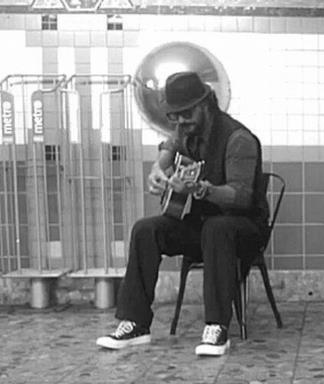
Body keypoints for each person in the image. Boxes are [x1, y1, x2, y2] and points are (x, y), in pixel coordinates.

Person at [96, 71, 269, 356]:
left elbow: (241, 197)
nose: (180, 122)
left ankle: (217, 328)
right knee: (146, 229)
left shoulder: (238, 139)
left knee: (218, 227)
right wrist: (157, 172)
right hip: (202, 226)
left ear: (205, 104)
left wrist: (200, 190)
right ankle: (135, 323)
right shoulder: (185, 130)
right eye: (174, 116)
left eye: (185, 114)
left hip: (243, 229)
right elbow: (169, 148)